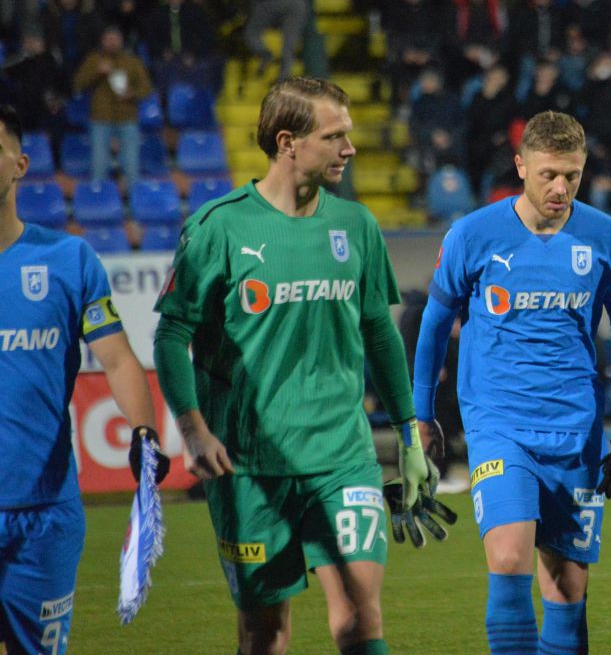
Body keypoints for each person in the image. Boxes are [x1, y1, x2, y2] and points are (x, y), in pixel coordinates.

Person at [152, 77, 443, 655]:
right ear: (288, 142)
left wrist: (409, 433)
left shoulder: (355, 225)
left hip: (342, 456)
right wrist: (193, 428)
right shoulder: (219, 227)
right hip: (249, 465)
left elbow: (379, 331)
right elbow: (171, 334)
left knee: (361, 615)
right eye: (334, 136)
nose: (350, 149)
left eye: (349, 136)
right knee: (266, 633)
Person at [412, 110, 611, 654]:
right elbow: (433, 326)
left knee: (567, 585)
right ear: (521, 166)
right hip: (500, 426)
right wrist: (421, 416)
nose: (561, 188)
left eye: (572, 175)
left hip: (577, 430)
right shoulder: (473, 234)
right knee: (509, 556)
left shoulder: (607, 238)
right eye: (548, 175)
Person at [0, 104, 168, 654]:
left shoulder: (69, 259)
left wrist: (144, 432)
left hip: (46, 514)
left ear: (20, 164)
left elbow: (118, 359)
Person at [72, 25, 152, 183]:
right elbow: (78, 84)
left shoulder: (132, 62)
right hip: (101, 118)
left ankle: (133, 201)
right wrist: (97, 72)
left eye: (115, 39)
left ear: (121, 41)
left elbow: (146, 88)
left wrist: (132, 93)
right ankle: (99, 201)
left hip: (127, 117)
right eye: (109, 39)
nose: (112, 43)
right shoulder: (94, 60)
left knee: (131, 165)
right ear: (102, 41)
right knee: (99, 165)